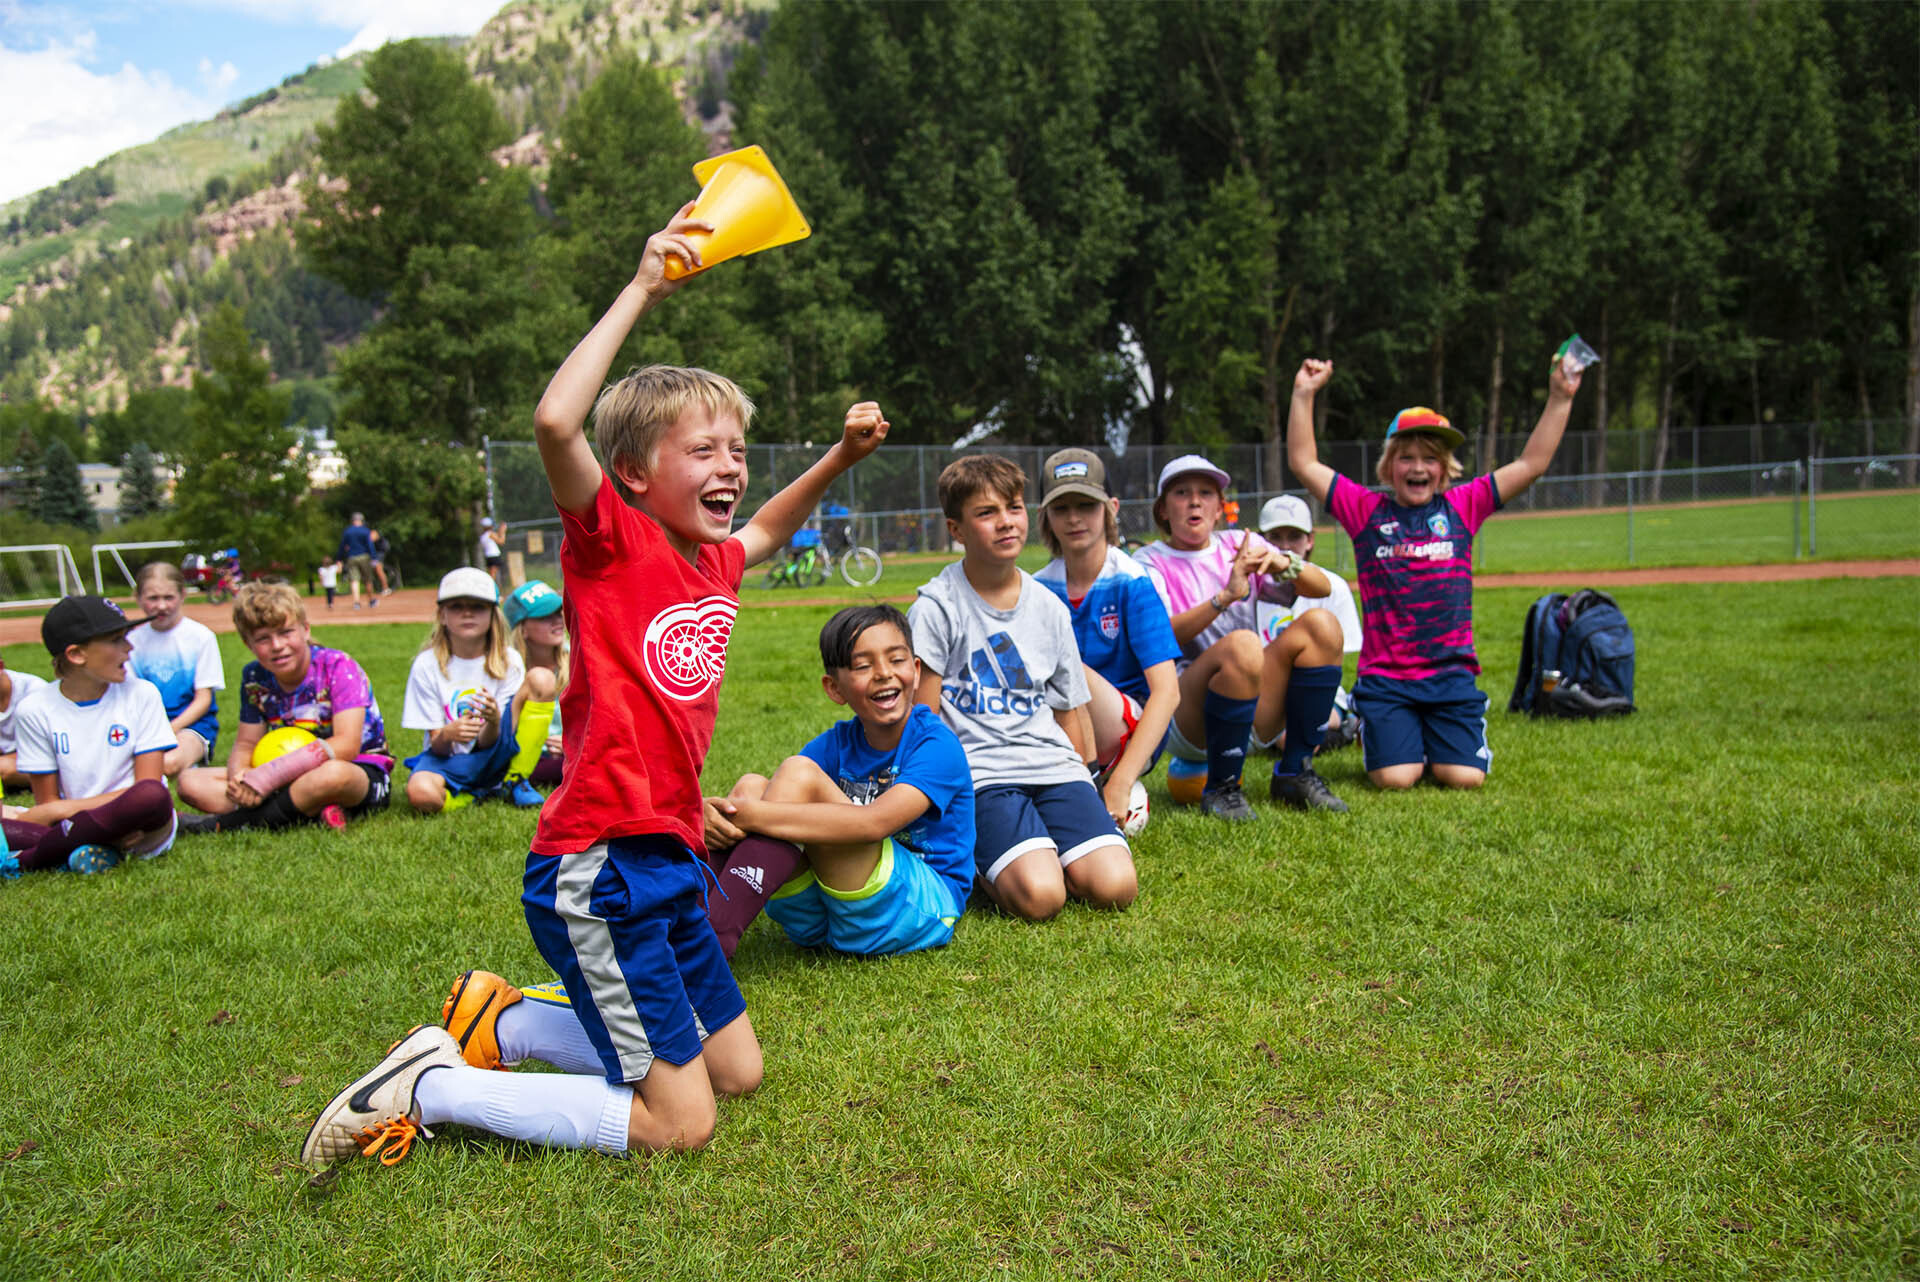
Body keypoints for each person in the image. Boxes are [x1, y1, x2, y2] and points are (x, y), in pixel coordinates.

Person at [300, 203, 889, 1169]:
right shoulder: (613, 543)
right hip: (600, 870)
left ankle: (506, 1019)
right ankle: (429, 1086)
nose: (730, 467)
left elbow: (772, 528)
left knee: (736, 1072)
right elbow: (554, 419)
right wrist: (647, 283)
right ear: (631, 474)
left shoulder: (714, 565)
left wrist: (838, 457)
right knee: (680, 1124)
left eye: (736, 451)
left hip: (666, 863)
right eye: (702, 450)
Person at [1286, 354, 1583, 789]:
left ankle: (1439, 739)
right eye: (1406, 457)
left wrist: (1559, 397)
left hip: (1451, 676)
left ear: (1445, 468)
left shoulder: (1463, 506)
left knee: (1463, 778)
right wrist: (1303, 394)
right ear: (1389, 466)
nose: (1418, 467)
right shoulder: (1366, 511)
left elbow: (1531, 464)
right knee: (1395, 778)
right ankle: (1385, 731)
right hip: (1387, 680)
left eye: (1430, 457)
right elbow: (1304, 463)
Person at [908, 454, 1137, 922]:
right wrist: (927, 806)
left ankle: (1047, 851)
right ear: (957, 529)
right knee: (1042, 898)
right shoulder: (936, 607)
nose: (1006, 523)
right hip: (983, 777)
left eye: (1013, 508)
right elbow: (922, 719)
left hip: (1053, 767)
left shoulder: (1048, 606)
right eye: (986, 513)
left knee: (1116, 887)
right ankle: (981, 857)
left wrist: (1092, 781)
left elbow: (1071, 709)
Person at [700, 604, 975, 959]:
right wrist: (713, 811)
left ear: (917, 670)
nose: (883, 674)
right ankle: (699, 919)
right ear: (834, 688)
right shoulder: (838, 743)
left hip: (921, 907)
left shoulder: (936, 745)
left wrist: (743, 815)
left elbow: (875, 823)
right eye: (863, 666)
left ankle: (713, 935)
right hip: (831, 917)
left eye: (896, 660)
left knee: (786, 784)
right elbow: (779, 801)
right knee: (751, 787)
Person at [1133, 455, 1350, 818]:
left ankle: (1295, 772)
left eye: (1206, 492)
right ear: (1163, 509)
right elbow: (1159, 636)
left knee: (1322, 625)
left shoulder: (1238, 543)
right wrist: (1225, 598)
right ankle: (1221, 788)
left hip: (1250, 698)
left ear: (1220, 508)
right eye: (1182, 492)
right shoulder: (1147, 562)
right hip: (1184, 713)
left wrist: (1285, 563)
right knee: (1244, 644)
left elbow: (1323, 586)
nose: (1195, 501)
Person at [1031, 448, 1180, 828]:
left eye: (1087, 504)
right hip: (1066, 730)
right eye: (1061, 508)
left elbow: (1167, 692)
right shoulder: (1037, 587)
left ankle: (1105, 782)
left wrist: (1123, 780)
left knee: (1062, 665)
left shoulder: (1132, 581)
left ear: (1111, 508)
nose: (1075, 517)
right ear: (1045, 516)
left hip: (1128, 730)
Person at [176, 582, 392, 832]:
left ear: (306, 630)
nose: (277, 645)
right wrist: (242, 778)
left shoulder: (338, 666)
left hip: (355, 770)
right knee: (190, 782)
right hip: (283, 776)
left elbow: (347, 744)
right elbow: (246, 743)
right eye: (263, 639)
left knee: (332, 776)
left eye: (286, 632)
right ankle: (310, 808)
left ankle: (224, 825)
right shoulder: (255, 677)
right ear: (248, 644)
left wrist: (267, 778)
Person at [0, 596, 177, 877]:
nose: (129, 648)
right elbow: (46, 803)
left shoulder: (142, 694)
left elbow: (147, 786)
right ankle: (87, 848)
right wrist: (58, 813)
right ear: (76, 655)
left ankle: (27, 860)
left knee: (152, 796)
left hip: (138, 823)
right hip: (69, 824)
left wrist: (62, 810)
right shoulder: (34, 709)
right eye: (117, 639)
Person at [400, 567, 544, 814]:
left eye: (478, 606)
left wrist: (494, 721)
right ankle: (469, 796)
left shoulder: (509, 660)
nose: (467, 613)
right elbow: (438, 747)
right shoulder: (426, 664)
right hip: (446, 759)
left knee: (542, 679)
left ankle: (514, 779)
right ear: (442, 615)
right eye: (456, 606)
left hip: (495, 753)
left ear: (492, 615)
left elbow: (492, 742)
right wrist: (447, 734)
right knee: (421, 793)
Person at [1253, 494, 1364, 753]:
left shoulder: (1333, 585)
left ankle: (1341, 724)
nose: (1285, 546)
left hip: (1316, 689)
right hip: (1264, 688)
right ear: (1261, 539)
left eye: (1294, 536)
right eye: (1275, 537)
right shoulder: (1248, 586)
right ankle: (1338, 731)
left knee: (1295, 735)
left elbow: (1335, 663)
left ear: (1310, 539)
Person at [127, 561, 226, 779]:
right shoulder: (130, 642)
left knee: (168, 764)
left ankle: (192, 758)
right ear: (138, 597)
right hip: (146, 727)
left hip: (191, 726)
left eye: (168, 597)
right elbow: (129, 699)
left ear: (182, 595)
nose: (161, 606)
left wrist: (170, 729)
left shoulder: (201, 637)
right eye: (153, 598)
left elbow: (203, 700)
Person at [505, 580, 567, 786]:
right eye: (544, 616)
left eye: (558, 612)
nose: (557, 620)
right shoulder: (508, 668)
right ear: (522, 628)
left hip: (571, 750)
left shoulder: (577, 658)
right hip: (527, 754)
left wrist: (572, 745)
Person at [0, 651, 52, 791]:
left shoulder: (34, 693)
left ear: (0, 666)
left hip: (40, 760)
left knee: (4, 768)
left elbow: (48, 748)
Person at [337, 512, 377, 610]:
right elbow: (370, 545)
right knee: (367, 579)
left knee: (354, 580)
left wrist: (339, 558)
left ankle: (356, 603)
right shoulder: (365, 531)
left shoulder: (347, 531)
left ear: (352, 520)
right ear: (361, 520)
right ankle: (371, 600)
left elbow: (342, 546)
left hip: (351, 557)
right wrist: (374, 558)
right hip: (364, 556)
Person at [478, 518, 506, 587]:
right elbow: (501, 541)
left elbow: (497, 536)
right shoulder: (490, 534)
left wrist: (500, 530)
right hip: (494, 555)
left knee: (492, 575)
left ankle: (492, 588)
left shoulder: (483, 536)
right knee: (492, 576)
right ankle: (491, 589)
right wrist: (503, 531)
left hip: (488, 556)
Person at [368, 528, 393, 596]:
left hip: (381, 552)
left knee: (379, 570)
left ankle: (386, 588)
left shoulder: (374, 533)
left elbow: (372, 539)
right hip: (375, 553)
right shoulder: (369, 533)